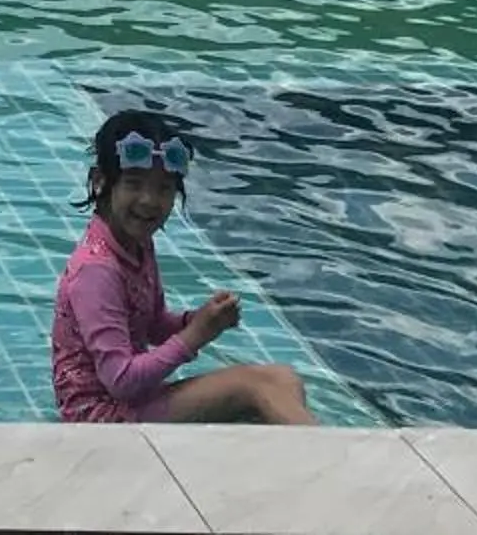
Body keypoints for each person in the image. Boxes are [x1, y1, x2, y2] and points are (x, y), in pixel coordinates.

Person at [50, 108, 317, 425]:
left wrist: (199, 319)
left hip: (130, 404)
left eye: (163, 188)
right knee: (254, 387)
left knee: (283, 378)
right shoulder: (97, 270)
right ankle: (331, 453)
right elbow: (121, 381)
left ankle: (306, 446)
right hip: (99, 422)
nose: (149, 200)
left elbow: (151, 325)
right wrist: (197, 334)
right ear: (100, 182)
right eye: (134, 184)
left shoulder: (136, 245)